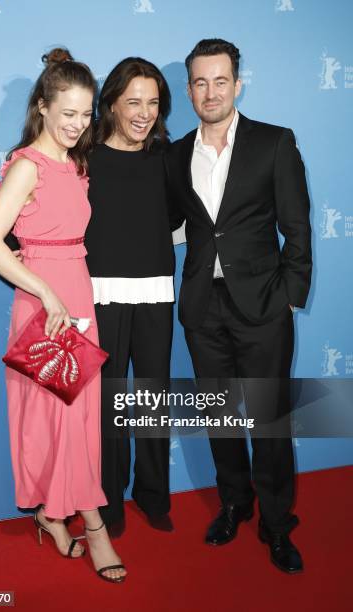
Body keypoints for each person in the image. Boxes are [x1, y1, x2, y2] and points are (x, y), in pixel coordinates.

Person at [0, 48, 126, 583]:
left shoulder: (75, 163)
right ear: (42, 107)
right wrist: (45, 290)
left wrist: (67, 293)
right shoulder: (26, 165)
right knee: (61, 420)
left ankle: (51, 515)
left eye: (86, 115)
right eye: (68, 113)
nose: (78, 124)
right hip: (45, 308)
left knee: (79, 420)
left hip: (77, 298)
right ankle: (94, 524)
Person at [165, 38, 312, 573]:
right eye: (200, 82)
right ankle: (234, 504)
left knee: (270, 422)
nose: (210, 91)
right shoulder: (176, 153)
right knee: (221, 416)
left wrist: (291, 296)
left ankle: (277, 524)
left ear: (237, 84)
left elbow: (296, 227)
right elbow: (169, 222)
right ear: (188, 89)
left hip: (264, 305)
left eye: (220, 80)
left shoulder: (274, 143)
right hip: (203, 307)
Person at [84, 58, 175, 535]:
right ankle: (110, 502)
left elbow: (182, 220)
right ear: (112, 103)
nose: (144, 113)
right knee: (110, 406)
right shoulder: (85, 158)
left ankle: (154, 495)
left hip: (157, 294)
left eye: (153, 103)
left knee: (154, 397)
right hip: (100, 298)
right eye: (134, 102)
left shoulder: (166, 158)